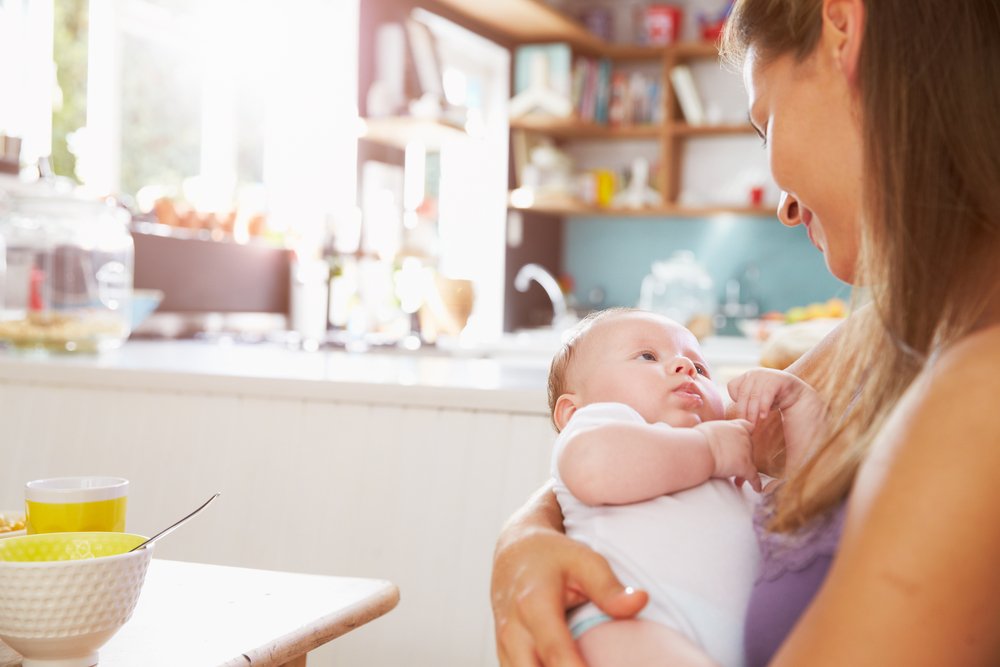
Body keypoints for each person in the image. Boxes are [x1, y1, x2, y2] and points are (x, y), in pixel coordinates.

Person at [490, 0, 1000, 665]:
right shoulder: (888, 334)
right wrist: (524, 538)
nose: (783, 203)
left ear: (843, 25)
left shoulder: (976, 392)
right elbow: (657, 450)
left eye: (767, 124)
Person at [545, 307, 762, 666]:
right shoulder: (604, 422)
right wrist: (711, 449)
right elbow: (592, 467)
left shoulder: (733, 462)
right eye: (647, 356)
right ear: (572, 413)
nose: (685, 367)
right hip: (629, 621)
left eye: (701, 368)